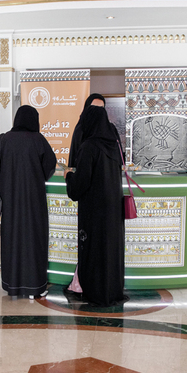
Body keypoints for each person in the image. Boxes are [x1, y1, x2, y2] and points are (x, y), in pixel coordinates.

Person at [0, 106, 57, 298]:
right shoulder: (38, 139)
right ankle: (34, 286)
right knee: (33, 240)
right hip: (34, 200)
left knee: (12, 240)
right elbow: (50, 165)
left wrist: (9, 180)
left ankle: (12, 285)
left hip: (10, 199)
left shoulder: (3, 140)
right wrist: (35, 177)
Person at [64, 106, 127, 307]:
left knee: (94, 250)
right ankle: (112, 291)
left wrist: (69, 176)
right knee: (111, 250)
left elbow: (79, 186)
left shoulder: (89, 147)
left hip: (94, 211)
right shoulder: (114, 146)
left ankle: (96, 292)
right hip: (113, 210)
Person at [69, 93, 112, 167]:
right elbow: (75, 156)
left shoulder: (110, 130)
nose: (97, 112)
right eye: (94, 108)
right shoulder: (81, 129)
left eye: (101, 108)